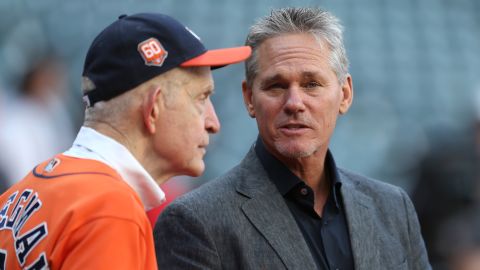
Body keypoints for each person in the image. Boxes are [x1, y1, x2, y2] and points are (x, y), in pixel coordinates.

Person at [154, 7, 431, 270]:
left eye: (312, 84)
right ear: (249, 99)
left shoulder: (393, 207)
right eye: (276, 86)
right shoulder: (195, 220)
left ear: (345, 95)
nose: (294, 103)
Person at [0, 13, 251, 269]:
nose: (213, 122)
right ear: (153, 109)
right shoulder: (111, 210)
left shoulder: (21, 192)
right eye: (201, 98)